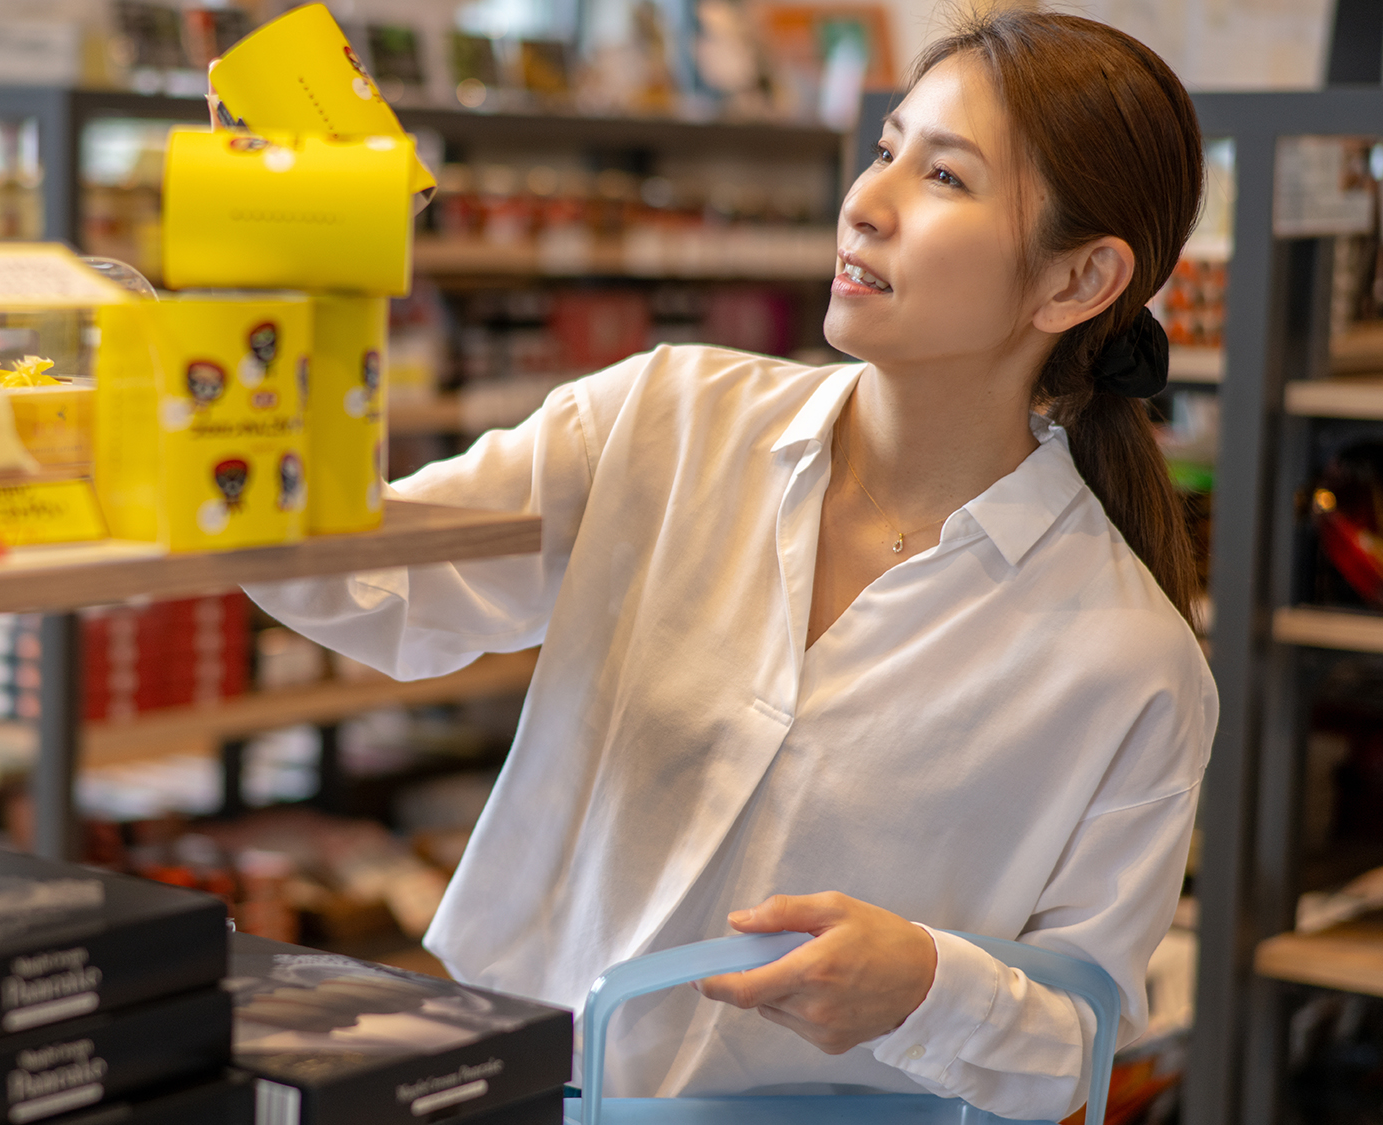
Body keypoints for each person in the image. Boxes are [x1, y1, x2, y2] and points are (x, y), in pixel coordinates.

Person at [244, 11, 1214, 1120]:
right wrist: (272, 318)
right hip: (503, 1087)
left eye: (942, 175)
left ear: (1077, 279)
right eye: (886, 146)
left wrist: (925, 985)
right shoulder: (662, 422)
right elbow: (370, 586)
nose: (866, 199)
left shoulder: (1125, 660)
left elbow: (1078, 1039)